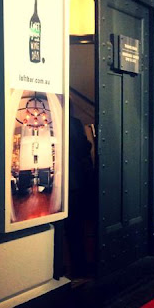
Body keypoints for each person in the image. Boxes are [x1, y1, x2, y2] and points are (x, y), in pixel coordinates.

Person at [65, 100, 94, 278]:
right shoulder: (74, 123)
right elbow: (82, 148)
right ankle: (79, 268)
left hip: (61, 181)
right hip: (74, 181)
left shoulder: (50, 122)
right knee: (76, 228)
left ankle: (61, 268)